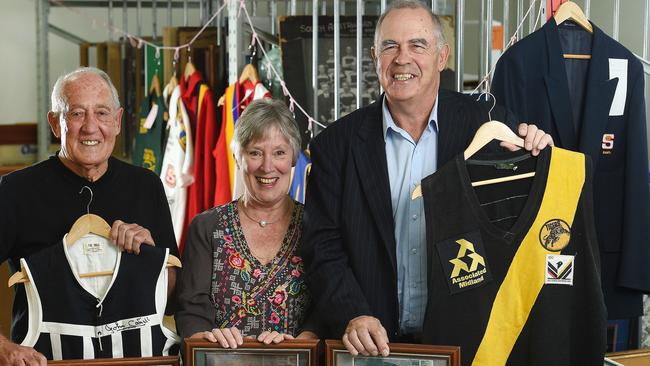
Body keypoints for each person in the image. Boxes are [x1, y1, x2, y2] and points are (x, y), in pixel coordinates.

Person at [300, 0, 554, 358]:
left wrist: (538, 147)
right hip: (370, 347)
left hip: (467, 339)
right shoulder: (334, 146)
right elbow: (321, 247)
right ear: (375, 57)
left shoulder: (488, 125)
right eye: (390, 46)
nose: (402, 58)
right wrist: (352, 313)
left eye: (417, 45)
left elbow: (520, 215)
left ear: (442, 56)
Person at [0, 67, 179, 365]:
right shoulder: (16, 191)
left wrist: (153, 255)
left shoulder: (146, 186)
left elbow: (174, 300)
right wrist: (4, 349)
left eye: (102, 113)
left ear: (118, 121)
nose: (90, 127)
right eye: (77, 114)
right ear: (55, 124)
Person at [175, 99, 316, 348]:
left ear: (294, 157)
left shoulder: (315, 226)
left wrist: (297, 344)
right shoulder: (207, 228)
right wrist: (209, 340)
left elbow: (326, 308)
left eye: (279, 153)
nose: (267, 166)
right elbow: (191, 313)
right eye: (255, 153)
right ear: (237, 157)